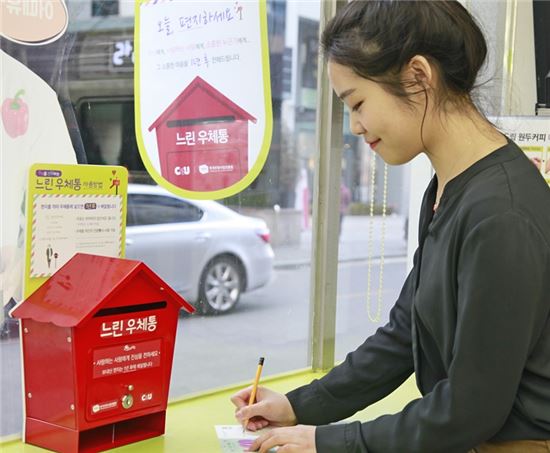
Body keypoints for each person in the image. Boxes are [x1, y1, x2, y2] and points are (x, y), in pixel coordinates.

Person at [231, 1, 550, 452]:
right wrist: (300, 406)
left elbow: (470, 409)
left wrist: (327, 442)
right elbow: (405, 333)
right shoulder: (449, 186)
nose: (356, 126)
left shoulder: (502, 214)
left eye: (358, 103)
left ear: (418, 76)